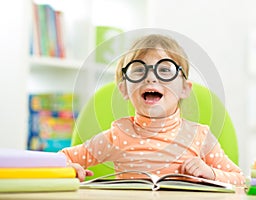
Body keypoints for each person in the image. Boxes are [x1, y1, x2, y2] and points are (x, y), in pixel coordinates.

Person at [60, 34, 245, 186]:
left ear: (184, 88)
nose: (150, 78)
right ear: (124, 89)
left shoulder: (199, 136)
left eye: (165, 70)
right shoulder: (117, 136)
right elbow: (62, 157)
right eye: (139, 70)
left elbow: (239, 179)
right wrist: (69, 168)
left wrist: (210, 173)